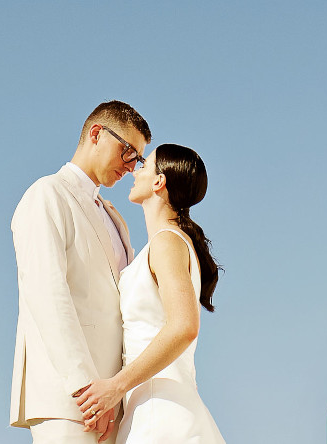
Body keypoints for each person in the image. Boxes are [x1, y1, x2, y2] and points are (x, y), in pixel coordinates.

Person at [11, 101, 152, 443]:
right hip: (72, 400)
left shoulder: (115, 217)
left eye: (139, 159)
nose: (132, 166)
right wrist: (86, 390)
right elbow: (47, 295)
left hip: (115, 404)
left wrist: (117, 393)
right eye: (128, 151)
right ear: (96, 134)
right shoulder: (47, 194)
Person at [73, 143, 227, 444]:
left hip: (161, 416)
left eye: (144, 165)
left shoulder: (167, 243)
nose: (135, 171)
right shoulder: (163, 244)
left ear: (159, 182)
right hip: (152, 409)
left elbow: (184, 326)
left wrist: (115, 386)